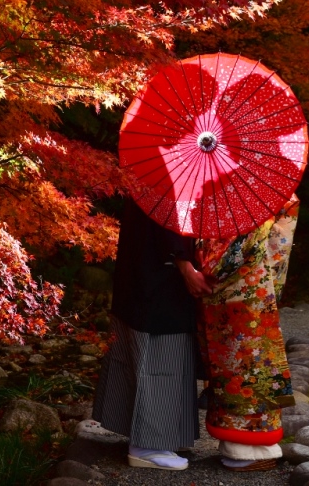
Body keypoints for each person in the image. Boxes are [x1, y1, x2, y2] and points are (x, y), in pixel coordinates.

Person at [92, 199, 212, 470]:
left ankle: (148, 436)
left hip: (142, 273)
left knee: (142, 353)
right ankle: (148, 445)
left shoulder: (149, 173)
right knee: (160, 359)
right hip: (160, 280)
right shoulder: (170, 173)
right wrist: (186, 267)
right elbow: (170, 222)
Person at [196, 194, 300, 471]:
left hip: (226, 294)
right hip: (257, 291)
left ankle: (245, 451)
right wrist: (273, 287)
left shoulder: (227, 193)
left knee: (237, 370)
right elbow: (279, 251)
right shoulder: (275, 195)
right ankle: (247, 451)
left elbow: (216, 258)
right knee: (251, 369)